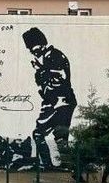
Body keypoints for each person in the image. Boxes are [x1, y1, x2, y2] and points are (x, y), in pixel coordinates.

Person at [23, 27, 77, 168]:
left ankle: (54, 165)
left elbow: (62, 76)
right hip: (54, 102)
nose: (32, 52)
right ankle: (63, 165)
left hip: (60, 101)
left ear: (42, 43)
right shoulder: (43, 59)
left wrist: (42, 69)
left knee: (48, 134)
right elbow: (42, 85)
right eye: (30, 49)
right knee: (55, 135)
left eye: (34, 48)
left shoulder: (56, 55)